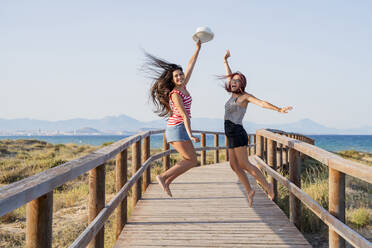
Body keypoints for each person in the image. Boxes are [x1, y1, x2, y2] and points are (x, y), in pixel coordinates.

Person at [222, 50, 293, 207]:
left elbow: (262, 103)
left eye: (237, 81)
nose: (233, 82)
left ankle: (268, 187)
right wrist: (225, 61)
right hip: (230, 134)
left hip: (238, 133)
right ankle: (249, 190)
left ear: (242, 84)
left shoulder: (245, 97)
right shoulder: (232, 95)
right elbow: (229, 75)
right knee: (234, 166)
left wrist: (279, 109)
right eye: (233, 80)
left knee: (245, 164)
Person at [144, 40, 202, 197]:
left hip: (179, 128)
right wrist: (190, 134)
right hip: (176, 128)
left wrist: (197, 49)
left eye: (181, 74)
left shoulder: (183, 86)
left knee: (188, 160)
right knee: (191, 160)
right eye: (176, 76)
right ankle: (163, 177)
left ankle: (167, 181)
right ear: (172, 79)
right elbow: (183, 115)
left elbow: (190, 65)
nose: (180, 76)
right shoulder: (175, 93)